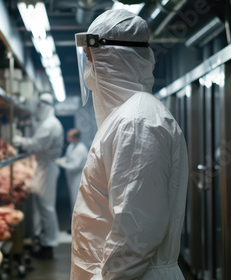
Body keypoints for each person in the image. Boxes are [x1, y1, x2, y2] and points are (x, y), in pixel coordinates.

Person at [71, 9, 189, 279]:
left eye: (92, 61)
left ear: (111, 60)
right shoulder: (129, 117)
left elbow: (137, 234)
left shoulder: (137, 123)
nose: (90, 72)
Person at [13, 92, 64, 259]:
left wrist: (19, 140)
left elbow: (36, 144)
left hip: (46, 168)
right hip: (44, 168)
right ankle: (44, 241)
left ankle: (48, 244)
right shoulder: (49, 123)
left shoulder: (50, 124)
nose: (38, 109)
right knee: (44, 207)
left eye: (40, 106)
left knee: (46, 207)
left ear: (45, 106)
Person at [56, 129, 88, 216]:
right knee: (73, 199)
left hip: (77, 177)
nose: (67, 138)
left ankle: (78, 224)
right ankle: (72, 222)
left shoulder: (81, 149)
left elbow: (76, 166)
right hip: (71, 177)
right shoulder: (71, 146)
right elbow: (67, 159)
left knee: (77, 199)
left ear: (75, 138)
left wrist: (62, 164)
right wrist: (58, 160)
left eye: (69, 137)